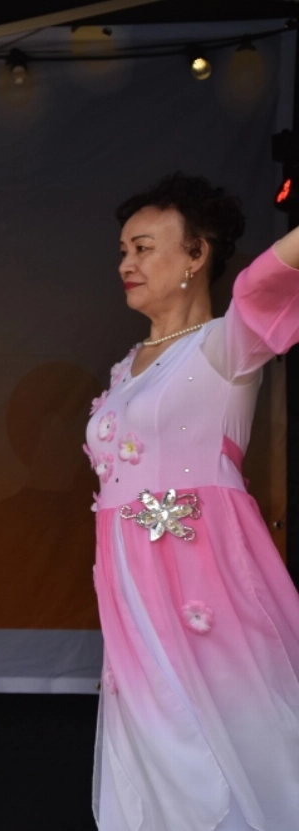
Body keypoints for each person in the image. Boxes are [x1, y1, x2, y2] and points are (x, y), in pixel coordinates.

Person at [88, 172, 299, 830]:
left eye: (145, 247)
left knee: (231, 749)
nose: (127, 263)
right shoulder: (125, 367)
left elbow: (270, 280)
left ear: (196, 254)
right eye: (123, 250)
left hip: (207, 587)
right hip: (131, 598)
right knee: (152, 761)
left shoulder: (225, 347)